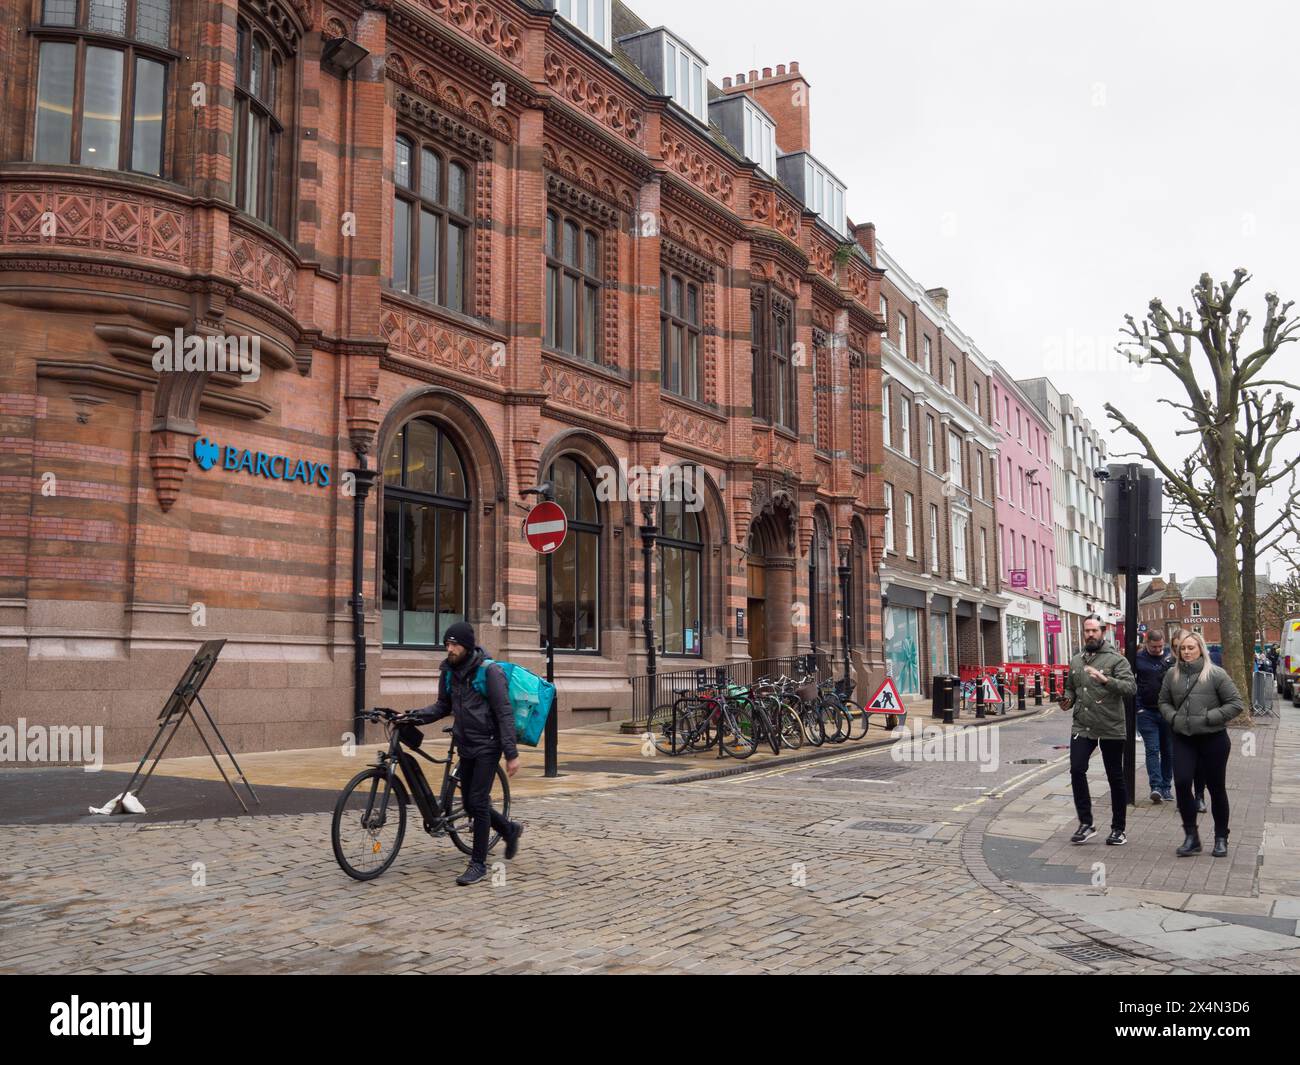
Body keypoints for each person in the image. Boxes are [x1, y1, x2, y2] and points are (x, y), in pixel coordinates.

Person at [412, 621, 523, 885]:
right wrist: (412, 717)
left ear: (467, 646)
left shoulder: (489, 672)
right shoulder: (449, 671)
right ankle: (509, 829)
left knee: (477, 801)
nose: (449, 649)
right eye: (447, 644)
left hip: (488, 744)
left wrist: (511, 753)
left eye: (454, 644)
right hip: (465, 743)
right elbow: (442, 706)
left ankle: (478, 864)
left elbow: (503, 712)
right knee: (474, 803)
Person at [1159, 630, 1244, 858]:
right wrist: (1174, 718)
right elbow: (1163, 702)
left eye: (1191, 648)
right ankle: (1191, 837)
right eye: (1182, 649)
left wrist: (1209, 717)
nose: (1186, 652)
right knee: (1183, 783)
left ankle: (1220, 837)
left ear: (1200, 649)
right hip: (1184, 738)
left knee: (1216, 789)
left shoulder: (1216, 674)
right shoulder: (1171, 675)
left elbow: (1236, 704)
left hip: (1213, 739)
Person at [1062, 616, 1137, 846]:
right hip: (1083, 726)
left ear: (1103, 632)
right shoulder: (1076, 661)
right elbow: (1071, 688)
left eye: (1094, 630)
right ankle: (1086, 823)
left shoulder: (1117, 660)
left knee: (1115, 777)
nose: (1090, 634)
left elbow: (1130, 688)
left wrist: (1106, 680)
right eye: (1087, 631)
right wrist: (1067, 700)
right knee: (1076, 769)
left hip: (1110, 727)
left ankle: (1118, 829)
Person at [1134, 628, 1175, 803]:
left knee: (1169, 751)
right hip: (1146, 712)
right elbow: (1132, 683)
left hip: (1167, 711)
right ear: (1146, 643)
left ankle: (1166, 787)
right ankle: (1156, 787)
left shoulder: (1171, 657)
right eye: (1153, 647)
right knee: (1153, 749)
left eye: (1160, 646)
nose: (1157, 650)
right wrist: (1138, 708)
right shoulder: (1138, 659)